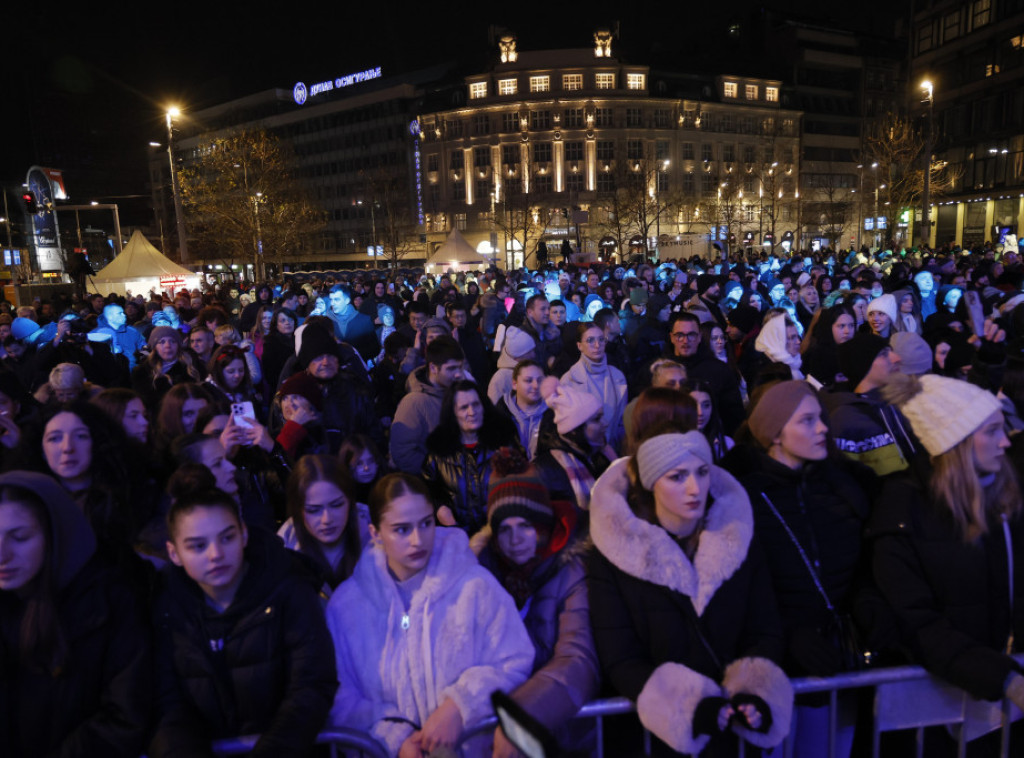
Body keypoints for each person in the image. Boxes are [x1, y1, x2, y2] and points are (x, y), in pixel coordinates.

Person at [587, 427, 792, 757]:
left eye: (702, 472)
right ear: (653, 483)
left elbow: (764, 630)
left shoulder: (738, 542)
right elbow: (620, 657)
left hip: (732, 734)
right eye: (677, 476)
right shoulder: (613, 558)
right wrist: (688, 707)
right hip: (653, 738)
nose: (695, 488)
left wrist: (753, 692)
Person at [326, 472, 534, 758]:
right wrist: (394, 736)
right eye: (401, 529)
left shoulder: (474, 586)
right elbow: (339, 693)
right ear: (375, 533)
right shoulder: (347, 606)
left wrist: (460, 706)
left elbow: (514, 658)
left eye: (426, 524)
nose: (417, 540)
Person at [871, 373, 1024, 747]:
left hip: (1005, 713)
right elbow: (916, 622)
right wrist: (1003, 678)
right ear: (954, 442)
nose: (1005, 442)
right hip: (937, 720)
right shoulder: (901, 511)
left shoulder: (1005, 500)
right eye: (990, 431)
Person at [725, 381, 873, 758]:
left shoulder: (843, 488)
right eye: (807, 421)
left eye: (820, 418)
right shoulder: (745, 500)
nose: (823, 428)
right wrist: (789, 635)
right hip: (780, 671)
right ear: (775, 434)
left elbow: (863, 568)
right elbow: (741, 591)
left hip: (843, 661)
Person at [150, 466, 337, 757]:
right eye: (198, 546)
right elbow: (168, 706)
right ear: (174, 553)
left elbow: (311, 686)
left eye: (227, 538)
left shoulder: (289, 591)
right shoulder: (166, 610)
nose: (215, 554)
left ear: (244, 534)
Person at [0, 471, 152, 758]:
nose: (1, 554)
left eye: (19, 538)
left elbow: (124, 717)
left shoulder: (108, 602)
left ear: (55, 536)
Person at [470, 452, 600, 756]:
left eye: (525, 525)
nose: (515, 539)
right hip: (492, 737)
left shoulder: (572, 572)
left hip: (561, 736)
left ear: (542, 525)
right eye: (505, 528)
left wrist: (517, 719)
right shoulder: (481, 573)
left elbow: (578, 659)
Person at [422, 380, 520, 534]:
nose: (472, 412)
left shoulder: (504, 443)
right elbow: (428, 493)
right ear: (453, 413)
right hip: (458, 537)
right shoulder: (438, 453)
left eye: (476, 404)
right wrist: (440, 510)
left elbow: (521, 485)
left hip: (502, 534)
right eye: (463, 407)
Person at [279, 454, 366, 595]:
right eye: (313, 510)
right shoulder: (284, 551)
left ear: (350, 502)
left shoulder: (377, 537)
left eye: (337, 505)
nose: (327, 519)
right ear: (298, 510)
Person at [533, 381, 617, 512]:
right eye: (596, 419)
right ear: (574, 429)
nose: (605, 423)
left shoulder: (602, 455)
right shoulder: (545, 469)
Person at [561, 322, 628, 452]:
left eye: (601, 339)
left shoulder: (617, 376)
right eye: (590, 340)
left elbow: (621, 423)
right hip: (583, 454)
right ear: (579, 345)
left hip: (613, 451)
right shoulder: (568, 380)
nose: (597, 345)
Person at [132, 326, 203, 411]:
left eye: (173, 341)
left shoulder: (192, 366)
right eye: (162, 342)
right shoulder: (142, 372)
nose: (168, 346)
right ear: (154, 347)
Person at [494, 359, 547, 459]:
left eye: (540, 380)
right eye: (528, 380)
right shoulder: (501, 415)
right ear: (514, 384)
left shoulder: (553, 414)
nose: (536, 385)